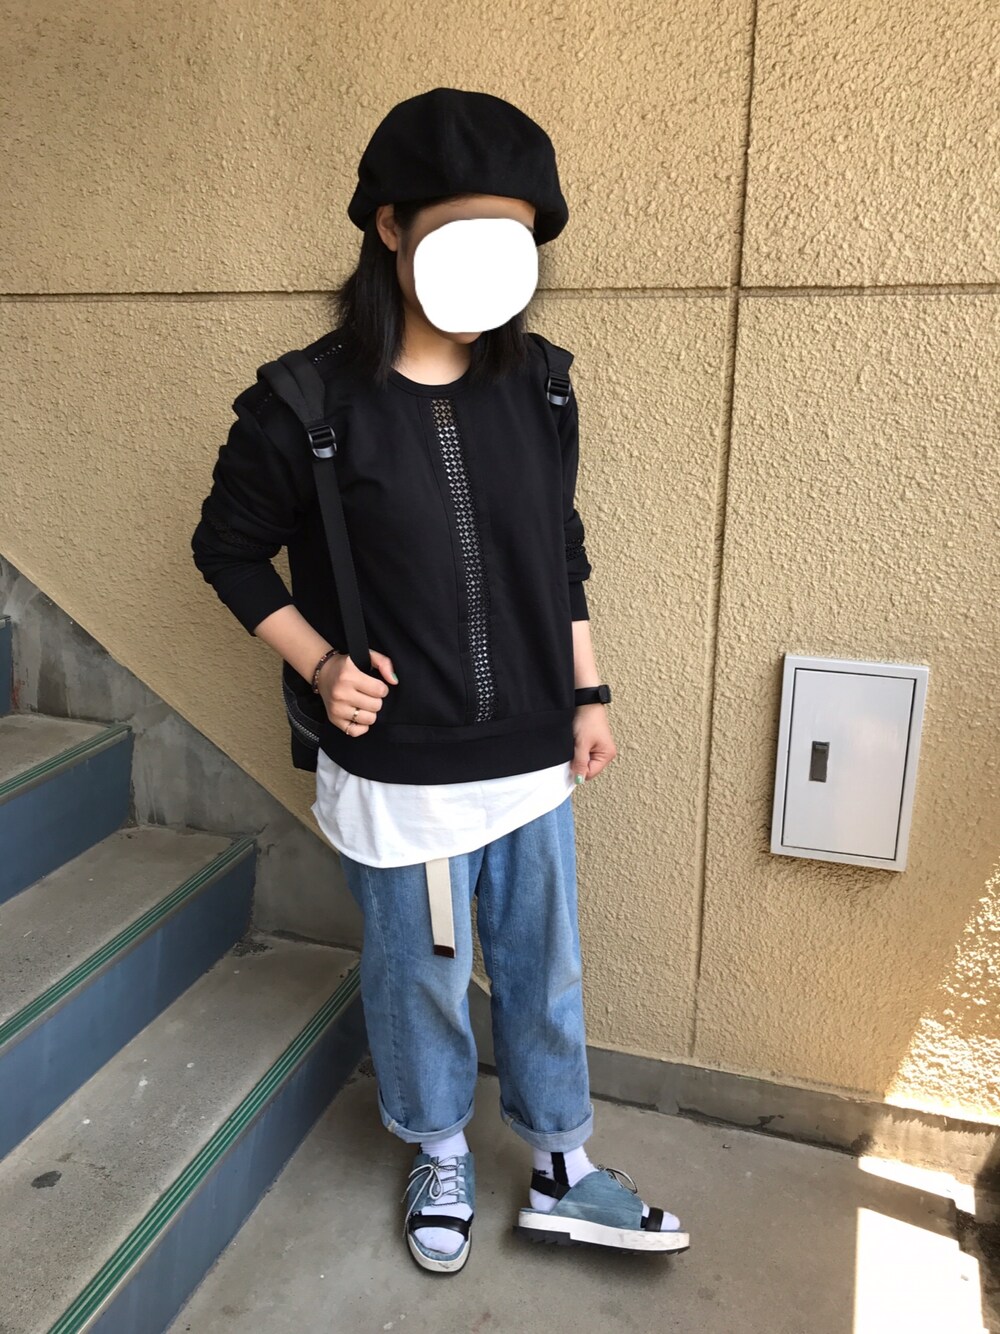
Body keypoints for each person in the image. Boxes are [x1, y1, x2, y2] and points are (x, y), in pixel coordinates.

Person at [191, 86, 689, 1276]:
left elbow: (555, 548)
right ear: (390, 226)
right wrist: (320, 662)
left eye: (515, 236)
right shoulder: (304, 403)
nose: (493, 262)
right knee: (419, 973)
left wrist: (588, 691)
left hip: (531, 746)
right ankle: (440, 1148)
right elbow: (225, 547)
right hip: (401, 764)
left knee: (543, 968)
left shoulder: (541, 385)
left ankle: (562, 1164)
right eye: (466, 229)